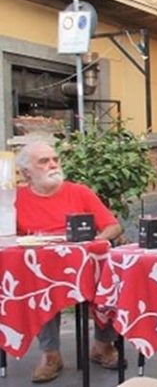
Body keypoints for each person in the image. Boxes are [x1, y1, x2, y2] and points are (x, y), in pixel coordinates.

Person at [15, 141, 123, 383]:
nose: (53, 164)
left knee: (110, 273)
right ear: (26, 173)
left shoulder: (79, 192)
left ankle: (103, 345)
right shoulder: (15, 199)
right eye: (44, 161)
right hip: (41, 268)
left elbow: (113, 226)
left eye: (55, 159)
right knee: (37, 282)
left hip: (84, 262)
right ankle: (51, 354)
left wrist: (94, 242)